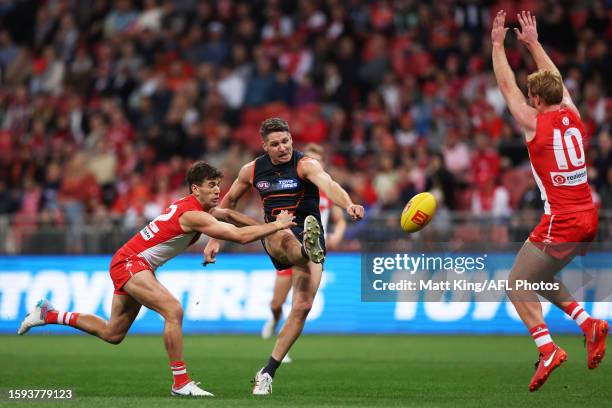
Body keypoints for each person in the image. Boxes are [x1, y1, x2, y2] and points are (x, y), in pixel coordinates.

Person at [17, 161, 297, 397]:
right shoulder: (193, 216)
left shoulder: (199, 209)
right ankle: (181, 382)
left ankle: (49, 314)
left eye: (218, 185)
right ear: (195, 189)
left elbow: (231, 216)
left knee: (112, 333)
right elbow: (237, 236)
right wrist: (277, 225)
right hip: (130, 263)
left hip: (130, 263)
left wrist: (266, 228)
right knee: (173, 310)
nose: (217, 190)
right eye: (212, 186)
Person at [491, 10, 608, 392]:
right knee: (540, 276)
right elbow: (556, 80)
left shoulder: (533, 122)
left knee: (516, 283)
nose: (527, 98)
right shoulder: (573, 116)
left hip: (563, 219)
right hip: (589, 215)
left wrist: (497, 45)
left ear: (537, 98)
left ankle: (547, 349)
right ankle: (588, 323)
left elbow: (507, 87)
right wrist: (532, 43)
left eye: (531, 95)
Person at [204, 118, 364, 395]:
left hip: (311, 233)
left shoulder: (306, 165)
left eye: (286, 141)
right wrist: (215, 238)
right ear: (265, 146)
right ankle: (305, 250)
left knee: (302, 307)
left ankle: (267, 372)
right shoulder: (252, 170)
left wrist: (348, 203)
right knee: (283, 233)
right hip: (277, 233)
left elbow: (328, 185)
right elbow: (227, 203)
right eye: (275, 144)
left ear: (292, 140)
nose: (282, 148)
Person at [260, 143, 348, 363]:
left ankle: (282, 349)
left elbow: (339, 221)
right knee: (276, 303)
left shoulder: (326, 195)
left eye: (317, 159)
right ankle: (273, 318)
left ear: (322, 163)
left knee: (300, 305)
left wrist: (336, 235)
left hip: (312, 250)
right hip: (289, 246)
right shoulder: (293, 187)